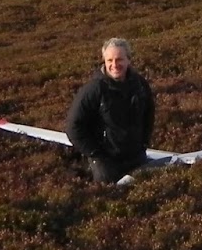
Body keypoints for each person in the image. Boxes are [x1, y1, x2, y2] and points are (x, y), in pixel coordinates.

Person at [66, 38, 156, 183]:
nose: (114, 65)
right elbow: (73, 126)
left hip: (136, 156)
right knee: (111, 192)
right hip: (106, 160)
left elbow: (149, 114)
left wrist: (144, 143)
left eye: (119, 59)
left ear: (129, 60)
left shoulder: (140, 84)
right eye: (110, 60)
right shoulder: (94, 90)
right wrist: (96, 155)